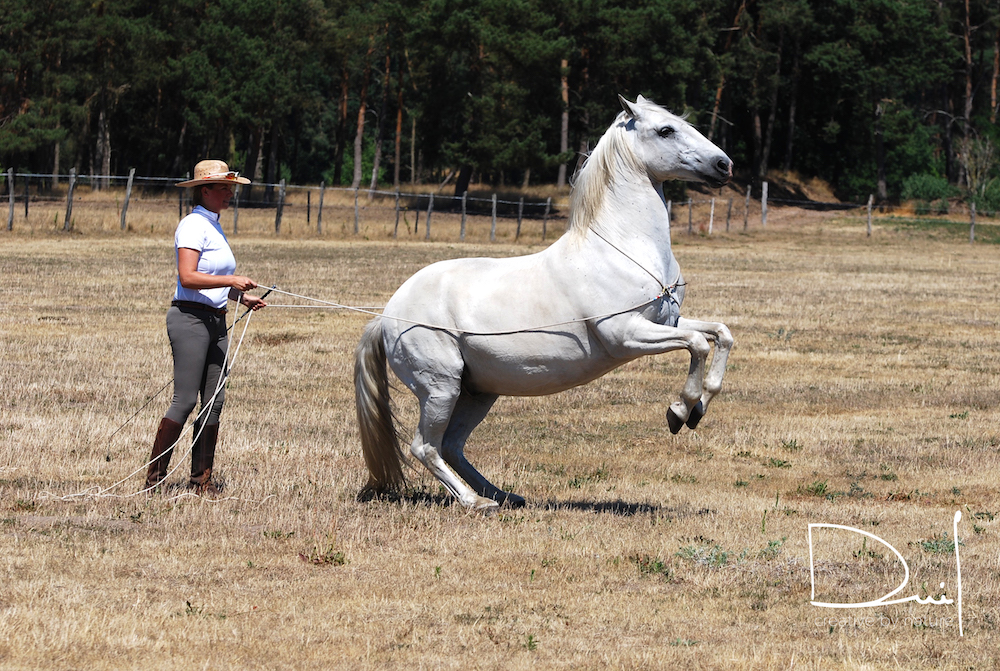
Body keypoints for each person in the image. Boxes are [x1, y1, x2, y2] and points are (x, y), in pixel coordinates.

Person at [143, 159, 267, 496]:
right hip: (189, 320)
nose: (231, 193)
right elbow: (188, 277)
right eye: (225, 188)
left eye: (232, 188)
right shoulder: (192, 226)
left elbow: (210, 279)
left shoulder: (214, 226)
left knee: (214, 400)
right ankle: (152, 483)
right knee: (184, 402)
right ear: (206, 190)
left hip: (216, 320)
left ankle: (201, 482)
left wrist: (239, 298)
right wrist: (232, 280)